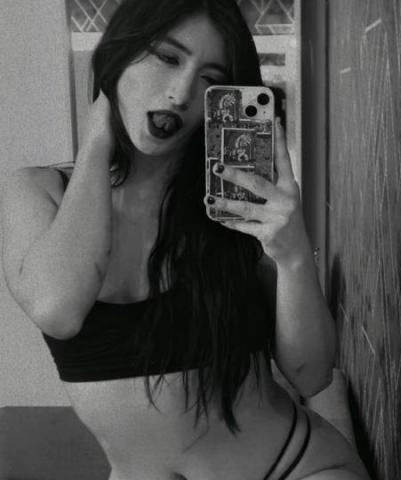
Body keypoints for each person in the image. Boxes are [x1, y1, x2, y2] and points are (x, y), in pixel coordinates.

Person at [0, 1, 369, 479]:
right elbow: (57, 309)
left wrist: (294, 254)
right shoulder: (40, 190)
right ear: (119, 54)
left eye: (210, 79)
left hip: (292, 469)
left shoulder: (226, 203)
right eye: (167, 57)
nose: (180, 94)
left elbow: (313, 375)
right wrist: (97, 141)